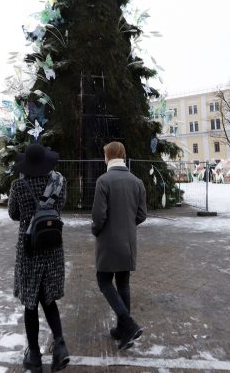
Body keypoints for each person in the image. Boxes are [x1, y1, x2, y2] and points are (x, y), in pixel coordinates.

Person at [8, 144, 70, 373]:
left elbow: (14, 214)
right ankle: (60, 345)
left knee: (31, 303)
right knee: (49, 299)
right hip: (53, 246)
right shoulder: (59, 183)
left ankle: (34, 356)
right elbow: (60, 206)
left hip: (29, 249)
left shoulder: (18, 185)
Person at [91, 141, 147, 350]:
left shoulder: (103, 181)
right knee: (123, 284)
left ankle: (129, 324)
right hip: (128, 243)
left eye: (105, 155)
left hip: (108, 242)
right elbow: (142, 214)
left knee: (104, 282)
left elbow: (98, 215)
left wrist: (96, 230)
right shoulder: (137, 181)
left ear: (109, 156)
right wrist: (128, 227)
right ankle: (123, 328)